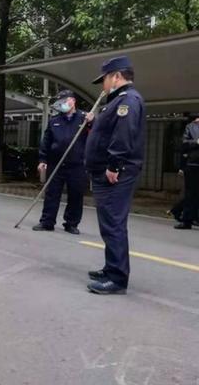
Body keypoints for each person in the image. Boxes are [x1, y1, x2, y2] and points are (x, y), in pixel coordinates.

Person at [85, 56, 146, 295]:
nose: (103, 85)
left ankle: (117, 278)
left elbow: (122, 137)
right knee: (109, 223)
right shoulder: (117, 100)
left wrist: (114, 166)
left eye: (105, 79)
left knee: (113, 224)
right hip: (107, 171)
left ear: (117, 77)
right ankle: (111, 267)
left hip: (115, 173)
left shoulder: (128, 100)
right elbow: (107, 133)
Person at [33, 90, 90, 235]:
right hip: (56, 163)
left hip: (76, 164)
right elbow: (46, 142)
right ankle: (47, 221)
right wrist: (42, 159)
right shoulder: (55, 120)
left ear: (72, 101)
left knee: (76, 194)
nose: (62, 105)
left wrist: (92, 122)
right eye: (60, 103)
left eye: (64, 102)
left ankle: (71, 223)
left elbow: (96, 134)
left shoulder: (84, 119)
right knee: (52, 193)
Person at [178, 113, 199, 229]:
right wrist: (196, 142)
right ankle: (187, 220)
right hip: (193, 164)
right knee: (190, 193)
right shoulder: (191, 127)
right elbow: (184, 143)